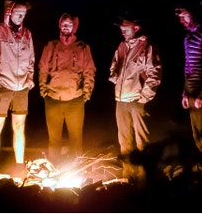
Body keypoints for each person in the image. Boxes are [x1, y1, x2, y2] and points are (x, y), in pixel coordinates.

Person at [0, 0, 34, 179]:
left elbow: (31, 61)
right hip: (3, 85)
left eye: (23, 14)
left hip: (22, 87)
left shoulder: (27, 34)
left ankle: (20, 166)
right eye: (18, 13)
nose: (20, 17)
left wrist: (29, 79)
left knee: (19, 126)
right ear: (10, 13)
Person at [38, 13, 95, 163]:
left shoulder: (82, 47)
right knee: (54, 139)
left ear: (74, 27)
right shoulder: (51, 45)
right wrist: (43, 89)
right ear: (59, 26)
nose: (66, 27)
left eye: (69, 24)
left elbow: (89, 71)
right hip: (53, 99)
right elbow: (43, 67)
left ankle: (76, 169)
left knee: (76, 139)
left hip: (75, 100)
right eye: (64, 24)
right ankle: (54, 169)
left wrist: (86, 92)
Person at [107, 14, 161, 162]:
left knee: (142, 141)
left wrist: (144, 98)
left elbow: (154, 73)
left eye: (125, 28)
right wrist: (113, 75)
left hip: (137, 100)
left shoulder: (146, 47)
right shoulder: (122, 46)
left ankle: (145, 179)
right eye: (121, 28)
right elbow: (114, 64)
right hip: (121, 99)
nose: (122, 31)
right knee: (124, 141)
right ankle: (130, 175)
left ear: (136, 28)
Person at [175, 3, 202, 171]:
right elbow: (188, 66)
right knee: (196, 134)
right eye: (179, 18)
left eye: (183, 16)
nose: (181, 20)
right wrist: (184, 93)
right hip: (191, 88)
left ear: (193, 14)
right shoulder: (187, 37)